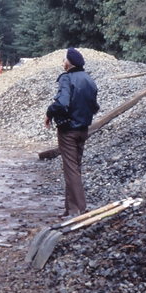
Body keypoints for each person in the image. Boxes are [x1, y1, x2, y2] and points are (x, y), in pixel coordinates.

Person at [44, 48, 100, 217]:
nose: (62, 63)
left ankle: (81, 210)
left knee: (71, 170)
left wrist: (49, 112)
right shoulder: (89, 79)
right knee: (74, 168)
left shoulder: (67, 78)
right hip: (83, 130)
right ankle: (70, 209)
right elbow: (95, 107)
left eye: (63, 60)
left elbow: (61, 104)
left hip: (68, 131)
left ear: (68, 64)